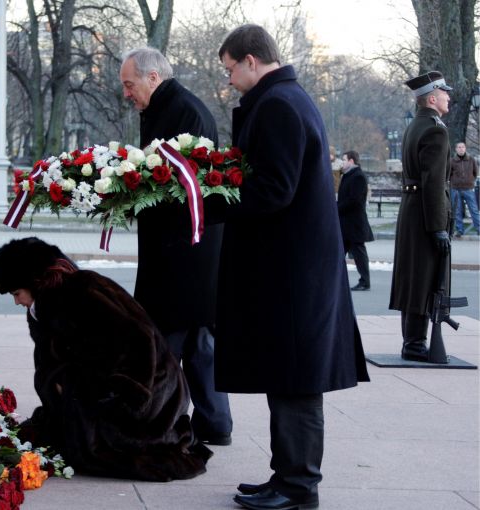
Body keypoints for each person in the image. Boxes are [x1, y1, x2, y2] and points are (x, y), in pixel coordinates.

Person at [215, 25, 369, 510]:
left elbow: (274, 189)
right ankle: (285, 476)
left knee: (296, 382)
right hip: (293, 268)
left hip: (293, 272)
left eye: (230, 69)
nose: (229, 80)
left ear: (251, 61)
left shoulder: (279, 105)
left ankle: (298, 487)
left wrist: (213, 198)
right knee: (286, 377)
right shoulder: (285, 99)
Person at [0, 237, 213, 482]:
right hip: (109, 390)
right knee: (45, 439)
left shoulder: (82, 292)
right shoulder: (45, 305)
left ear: (35, 282)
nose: (17, 301)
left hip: (150, 396)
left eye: (17, 293)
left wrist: (83, 390)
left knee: (97, 449)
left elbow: (138, 344)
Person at [119, 47, 233, 446]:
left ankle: (162, 423)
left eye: (130, 84)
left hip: (183, 252)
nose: (127, 93)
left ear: (153, 78)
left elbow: (182, 186)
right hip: (186, 250)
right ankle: (213, 422)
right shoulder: (169, 108)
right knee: (197, 343)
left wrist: (129, 192)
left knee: (168, 343)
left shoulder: (184, 111)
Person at [390, 71, 454, 362]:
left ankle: (412, 340)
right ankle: (415, 344)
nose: (448, 97)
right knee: (425, 277)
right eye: (444, 93)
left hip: (412, 210)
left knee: (414, 276)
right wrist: (438, 227)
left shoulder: (416, 125)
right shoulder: (435, 130)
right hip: (427, 214)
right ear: (431, 99)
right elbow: (434, 182)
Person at [338, 150, 375, 291]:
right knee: (338, 253)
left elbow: (355, 200)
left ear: (351, 161)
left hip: (354, 224)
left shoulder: (358, 176)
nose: (342, 162)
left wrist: (337, 208)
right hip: (347, 224)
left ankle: (365, 282)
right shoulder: (349, 175)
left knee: (359, 254)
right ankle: (335, 280)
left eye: (344, 160)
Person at [450, 142, 479, 237]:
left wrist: (470, 181)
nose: (461, 149)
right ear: (456, 149)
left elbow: (475, 172)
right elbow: (449, 174)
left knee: (474, 210)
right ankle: (459, 230)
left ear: (465, 148)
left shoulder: (471, 159)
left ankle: (479, 229)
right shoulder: (452, 161)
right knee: (457, 211)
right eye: (459, 147)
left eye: (462, 147)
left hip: (469, 189)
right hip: (455, 189)